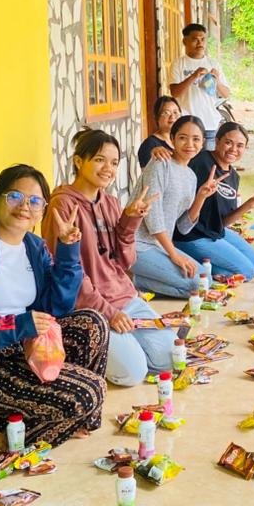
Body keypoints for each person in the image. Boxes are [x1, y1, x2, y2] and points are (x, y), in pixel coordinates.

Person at [0, 164, 109, 446]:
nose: (25, 206)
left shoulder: (33, 247)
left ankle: (63, 420)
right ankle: (14, 432)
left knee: (93, 323)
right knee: (92, 391)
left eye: (35, 201)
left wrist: (68, 248)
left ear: (42, 210)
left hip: (23, 345)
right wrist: (16, 325)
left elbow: (56, 305)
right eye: (15, 196)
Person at [42, 129, 176, 388]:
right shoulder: (62, 206)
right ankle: (83, 350)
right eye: (100, 160)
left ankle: (121, 348)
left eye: (114, 163)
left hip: (125, 298)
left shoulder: (111, 202)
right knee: (133, 374)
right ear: (79, 162)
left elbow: (124, 261)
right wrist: (110, 314)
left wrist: (130, 219)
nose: (108, 168)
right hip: (91, 309)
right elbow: (69, 274)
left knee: (169, 358)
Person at [130, 114, 226, 297]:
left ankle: (133, 281)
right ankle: (128, 277)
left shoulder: (190, 176)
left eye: (196, 139)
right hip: (137, 244)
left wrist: (201, 197)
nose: (190, 144)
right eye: (182, 138)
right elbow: (153, 217)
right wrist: (174, 254)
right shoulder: (160, 163)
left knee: (206, 281)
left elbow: (182, 227)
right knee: (197, 285)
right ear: (172, 139)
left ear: (203, 142)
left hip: (159, 246)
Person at [175, 121, 254, 279]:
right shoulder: (199, 161)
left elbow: (223, 222)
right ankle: (200, 266)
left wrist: (248, 205)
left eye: (240, 145)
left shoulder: (233, 176)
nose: (233, 149)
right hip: (191, 236)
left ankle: (205, 264)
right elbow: (177, 157)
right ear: (217, 141)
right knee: (247, 272)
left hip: (214, 231)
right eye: (228, 143)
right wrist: (159, 150)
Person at [168, 23, 229, 149]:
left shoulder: (213, 64)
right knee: (188, 164)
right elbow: (175, 93)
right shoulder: (178, 64)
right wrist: (193, 76)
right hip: (186, 124)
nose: (200, 43)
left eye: (203, 39)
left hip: (209, 125)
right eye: (195, 39)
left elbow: (226, 94)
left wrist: (217, 81)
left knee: (207, 165)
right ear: (185, 41)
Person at [138, 95, 181, 168]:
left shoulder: (181, 140)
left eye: (175, 112)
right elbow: (148, 174)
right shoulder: (149, 144)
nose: (172, 117)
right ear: (156, 117)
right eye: (166, 113)